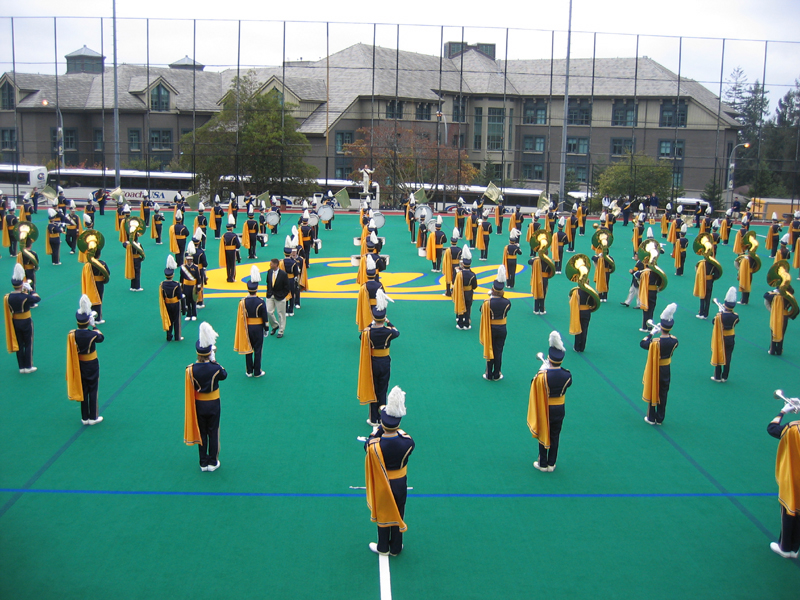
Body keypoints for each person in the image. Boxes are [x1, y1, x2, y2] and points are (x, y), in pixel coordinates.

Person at [365, 385, 414, 557]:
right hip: (400, 483)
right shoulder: (408, 442)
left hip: (383, 482)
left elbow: (369, 444)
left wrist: (379, 430)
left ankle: (383, 546)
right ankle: (396, 547)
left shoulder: (375, 445)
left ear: (383, 424)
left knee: (384, 513)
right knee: (399, 511)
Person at [184, 322, 227, 472]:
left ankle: (203, 462)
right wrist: (214, 361)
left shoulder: (191, 369)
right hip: (213, 403)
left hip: (199, 404)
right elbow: (224, 375)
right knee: (213, 432)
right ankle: (213, 461)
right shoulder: (215, 368)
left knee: (202, 432)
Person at [527, 331, 572, 472]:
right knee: (555, 434)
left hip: (545, 407)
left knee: (543, 432)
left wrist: (542, 370)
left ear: (549, 358)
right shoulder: (567, 375)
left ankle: (542, 462)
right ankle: (552, 463)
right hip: (560, 408)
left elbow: (532, 384)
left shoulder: (542, 376)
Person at [357, 290, 400, 426]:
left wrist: (371, 324)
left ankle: (373, 418)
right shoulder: (389, 332)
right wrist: (389, 321)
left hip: (373, 362)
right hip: (385, 361)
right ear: (384, 317)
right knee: (383, 389)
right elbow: (396, 331)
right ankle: (383, 417)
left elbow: (361, 336)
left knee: (373, 388)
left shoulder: (369, 333)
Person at [767, 400, 800, 559]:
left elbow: (772, 429)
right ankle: (795, 547)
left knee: (789, 510)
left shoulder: (794, 428)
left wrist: (783, 411)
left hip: (794, 476)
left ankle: (785, 547)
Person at [66, 294, 105, 425]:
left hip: (79, 364)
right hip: (91, 363)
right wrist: (94, 326)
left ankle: (84, 417)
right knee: (93, 388)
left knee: (84, 389)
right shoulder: (91, 334)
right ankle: (93, 417)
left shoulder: (73, 334)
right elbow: (101, 338)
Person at [641, 303, 679, 425]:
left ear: (661, 327)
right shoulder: (675, 340)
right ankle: (660, 417)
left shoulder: (655, 342)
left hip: (655, 368)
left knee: (653, 389)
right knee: (663, 392)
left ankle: (651, 417)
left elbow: (643, 344)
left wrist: (651, 333)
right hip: (666, 369)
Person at [4, 264, 41, 373]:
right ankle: (28, 366)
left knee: (19, 343)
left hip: (15, 321)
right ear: (21, 284)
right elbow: (37, 299)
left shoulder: (8, 297)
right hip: (26, 320)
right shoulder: (24, 296)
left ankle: (21, 367)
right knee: (28, 342)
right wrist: (31, 290)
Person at [234, 265, 269, 377]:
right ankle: (257, 371)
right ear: (256, 289)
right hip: (258, 328)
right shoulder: (261, 301)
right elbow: (265, 317)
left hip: (247, 327)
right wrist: (266, 328)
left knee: (248, 348)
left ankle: (249, 370)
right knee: (258, 349)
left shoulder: (243, 302)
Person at [480, 266, 511, 381]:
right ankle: (497, 373)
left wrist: (490, 297)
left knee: (490, 349)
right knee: (499, 350)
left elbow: (481, 310)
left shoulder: (487, 302)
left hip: (491, 328)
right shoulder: (507, 302)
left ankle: (488, 373)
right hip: (502, 328)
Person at [710, 287, 740, 383]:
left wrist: (720, 312)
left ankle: (717, 376)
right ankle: (725, 376)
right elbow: (735, 322)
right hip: (730, 337)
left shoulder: (720, 316)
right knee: (728, 356)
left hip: (721, 337)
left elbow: (713, 322)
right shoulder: (735, 316)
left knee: (719, 354)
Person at [158, 256, 184, 342]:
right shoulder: (176, 284)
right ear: (172, 275)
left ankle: (169, 336)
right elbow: (180, 296)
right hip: (175, 303)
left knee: (168, 319)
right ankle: (177, 337)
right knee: (176, 320)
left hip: (166, 303)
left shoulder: (162, 285)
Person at [765, 282, 794, 356]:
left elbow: (766, 295)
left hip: (776, 315)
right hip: (785, 315)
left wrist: (774, 292)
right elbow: (795, 307)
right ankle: (779, 350)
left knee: (774, 331)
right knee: (782, 333)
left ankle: (772, 349)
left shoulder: (775, 296)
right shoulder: (789, 296)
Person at [453, 245, 478, 330]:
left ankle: (460, 323)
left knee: (460, 305)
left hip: (461, 292)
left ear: (463, 264)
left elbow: (455, 284)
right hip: (469, 293)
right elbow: (475, 286)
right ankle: (466, 324)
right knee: (468, 308)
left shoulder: (459, 274)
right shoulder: (472, 274)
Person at [82, 249, 109, 324]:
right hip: (99, 283)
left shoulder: (88, 264)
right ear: (99, 255)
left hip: (90, 283)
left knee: (90, 298)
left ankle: (89, 314)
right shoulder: (102, 263)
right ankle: (98, 318)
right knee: (98, 299)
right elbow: (107, 273)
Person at [265, 258, 290, 338]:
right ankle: (275, 325)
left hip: (280, 296)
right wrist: (269, 292)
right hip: (270, 295)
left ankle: (281, 331)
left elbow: (287, 287)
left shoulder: (283, 274)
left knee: (281, 314)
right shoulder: (269, 272)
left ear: (276, 265)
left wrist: (283, 295)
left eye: (271, 264)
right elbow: (268, 283)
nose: (270, 265)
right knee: (268, 311)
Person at [693, 248, 720, 320]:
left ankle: (701, 313)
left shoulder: (702, 263)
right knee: (708, 297)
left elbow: (697, 272)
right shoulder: (714, 263)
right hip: (710, 281)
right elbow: (717, 274)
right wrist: (712, 278)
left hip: (703, 280)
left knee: (702, 297)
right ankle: (706, 314)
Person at [280, 236, 301, 318]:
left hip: (284, 280)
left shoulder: (281, 262)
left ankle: (285, 310)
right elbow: (296, 273)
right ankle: (291, 310)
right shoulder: (294, 262)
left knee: (285, 294)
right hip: (291, 279)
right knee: (292, 294)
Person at [181, 242, 201, 321]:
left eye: (190, 260)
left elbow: (198, 278)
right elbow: (181, 278)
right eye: (188, 260)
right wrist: (181, 287)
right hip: (186, 286)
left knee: (193, 301)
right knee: (187, 301)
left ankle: (194, 314)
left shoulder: (195, 268)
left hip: (193, 286)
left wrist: (198, 288)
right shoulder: (183, 268)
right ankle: (188, 314)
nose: (189, 261)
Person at [123, 222, 145, 292]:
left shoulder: (128, 244)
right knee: (137, 273)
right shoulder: (138, 244)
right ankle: (137, 287)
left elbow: (124, 244)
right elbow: (142, 253)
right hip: (137, 259)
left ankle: (132, 286)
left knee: (132, 272)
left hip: (131, 259)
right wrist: (142, 258)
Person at [220, 215, 241, 283]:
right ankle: (232, 277)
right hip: (232, 250)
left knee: (228, 264)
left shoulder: (224, 235)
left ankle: (228, 277)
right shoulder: (234, 235)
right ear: (231, 228)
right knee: (233, 264)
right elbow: (238, 245)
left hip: (226, 250)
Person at [442, 228, 462, 297]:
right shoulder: (459, 249)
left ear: (451, 242)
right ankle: (454, 291)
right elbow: (461, 258)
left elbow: (445, 259)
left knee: (448, 278)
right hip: (457, 265)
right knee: (455, 278)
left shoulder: (448, 250)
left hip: (449, 265)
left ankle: (448, 292)